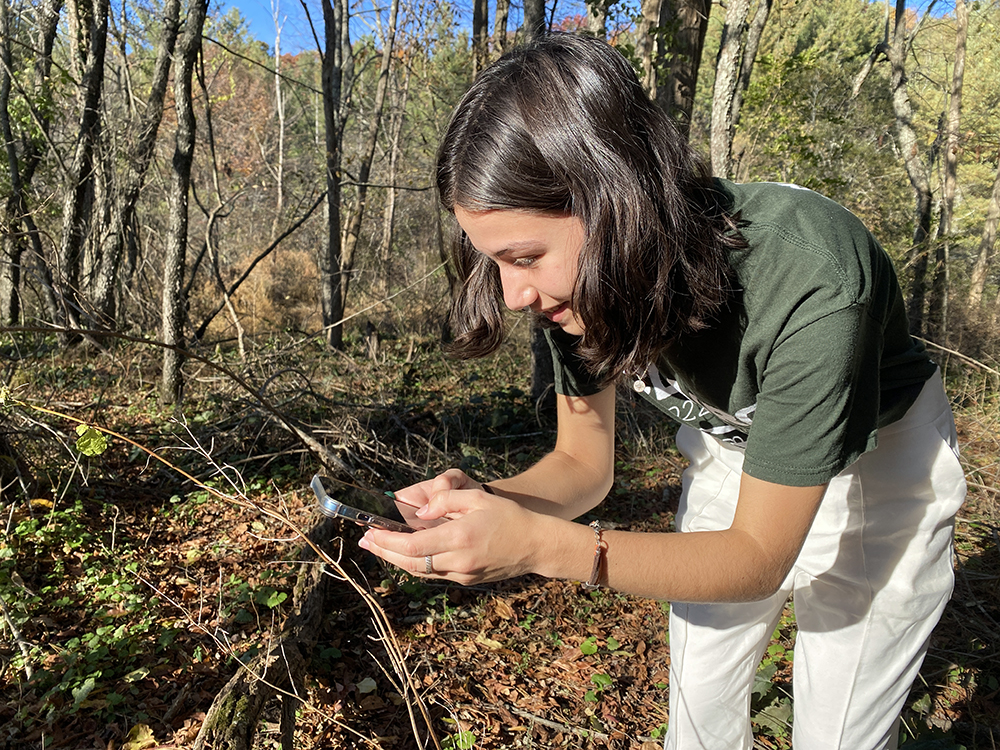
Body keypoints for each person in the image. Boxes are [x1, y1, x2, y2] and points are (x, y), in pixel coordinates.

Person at [357, 33, 966, 750]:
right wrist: (497, 505)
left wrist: (543, 550)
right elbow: (584, 465)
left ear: (620, 205)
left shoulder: (812, 275)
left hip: (878, 460)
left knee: (839, 727)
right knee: (698, 703)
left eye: (524, 258)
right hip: (730, 445)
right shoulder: (572, 289)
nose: (513, 293)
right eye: (494, 262)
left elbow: (756, 556)